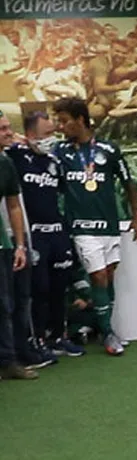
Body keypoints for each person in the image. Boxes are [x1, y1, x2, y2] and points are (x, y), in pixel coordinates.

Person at [52, 96, 137, 356]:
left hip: (109, 226)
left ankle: (103, 326)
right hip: (82, 228)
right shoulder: (60, 152)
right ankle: (107, 333)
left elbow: (129, 184)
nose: (61, 126)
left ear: (81, 120)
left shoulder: (109, 149)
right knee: (98, 276)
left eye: (64, 121)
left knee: (109, 277)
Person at [10, 110, 83, 358]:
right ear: (30, 135)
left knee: (59, 287)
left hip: (57, 232)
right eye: (46, 134)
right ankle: (37, 339)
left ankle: (58, 337)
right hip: (34, 234)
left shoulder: (55, 161)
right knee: (38, 289)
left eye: (53, 133)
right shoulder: (16, 156)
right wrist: (15, 140)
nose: (52, 138)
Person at [0, 121, 35, 379]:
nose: (10, 133)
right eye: (2, 129)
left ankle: (8, 361)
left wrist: (20, 246)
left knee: (4, 305)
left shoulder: (5, 164)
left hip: (3, 244)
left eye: (8, 127)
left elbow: (14, 206)